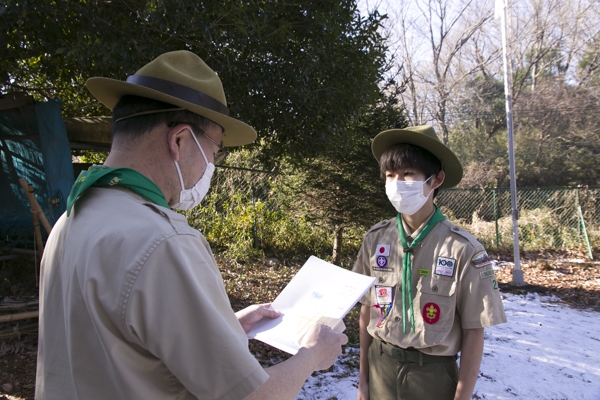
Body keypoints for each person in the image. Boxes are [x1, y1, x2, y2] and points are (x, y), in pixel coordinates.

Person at [35, 50, 347, 400]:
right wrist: (311, 355)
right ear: (180, 140)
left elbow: (115, 343)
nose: (212, 166)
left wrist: (227, 329)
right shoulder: (163, 241)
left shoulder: (73, 218)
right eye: (215, 152)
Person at [353, 126, 507, 400]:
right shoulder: (376, 239)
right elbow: (367, 310)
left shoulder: (463, 248)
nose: (397, 183)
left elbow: (474, 329)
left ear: (436, 181)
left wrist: (462, 396)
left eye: (408, 174)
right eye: (390, 176)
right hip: (381, 366)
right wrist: (363, 382)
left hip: (433, 376)